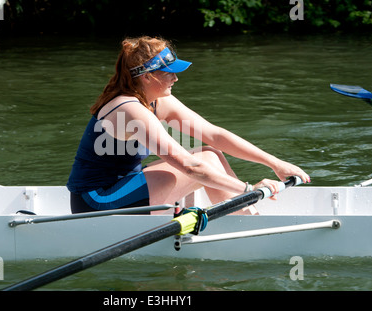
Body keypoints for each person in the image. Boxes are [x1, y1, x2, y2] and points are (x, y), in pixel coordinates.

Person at [66, 36, 310, 214]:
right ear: (148, 76)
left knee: (210, 152)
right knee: (203, 163)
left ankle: (238, 217)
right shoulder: (130, 109)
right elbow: (190, 167)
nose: (176, 77)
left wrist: (275, 163)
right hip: (96, 203)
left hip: (121, 188)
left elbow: (215, 135)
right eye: (169, 72)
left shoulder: (156, 100)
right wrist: (248, 188)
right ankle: (246, 220)